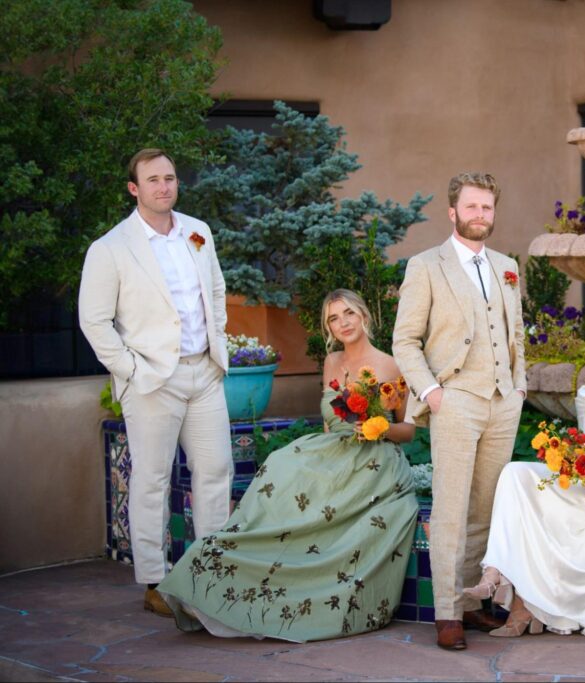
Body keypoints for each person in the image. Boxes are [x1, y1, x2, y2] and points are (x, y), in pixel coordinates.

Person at [157, 289, 419, 641]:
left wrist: (381, 427)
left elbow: (410, 430)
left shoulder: (392, 364)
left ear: (364, 316)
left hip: (375, 459)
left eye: (348, 314)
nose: (342, 323)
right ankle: (222, 576)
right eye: (333, 318)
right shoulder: (331, 362)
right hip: (333, 450)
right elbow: (329, 423)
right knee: (282, 465)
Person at [79, 148, 234, 617]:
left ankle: (209, 573)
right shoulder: (110, 248)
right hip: (151, 380)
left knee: (215, 473)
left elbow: (216, 291)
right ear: (134, 188)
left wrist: (217, 345)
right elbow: (95, 322)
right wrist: (132, 369)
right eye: (153, 180)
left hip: (203, 372)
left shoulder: (197, 231)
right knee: (151, 480)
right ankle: (153, 581)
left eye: (169, 178)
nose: (164, 186)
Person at [465, 301, 585, 638]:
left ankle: (523, 607)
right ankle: (494, 571)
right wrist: (567, 457)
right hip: (581, 476)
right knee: (515, 473)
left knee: (533, 501)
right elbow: (583, 437)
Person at [392, 172, 528, 650]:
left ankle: (471, 603)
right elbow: (405, 340)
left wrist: (520, 387)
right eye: (471, 207)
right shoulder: (426, 266)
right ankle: (446, 612)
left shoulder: (508, 266)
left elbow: (516, 334)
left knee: (486, 507)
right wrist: (431, 392)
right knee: (450, 509)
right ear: (453, 212)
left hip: (502, 401)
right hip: (454, 399)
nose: (479, 216)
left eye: (487, 208)